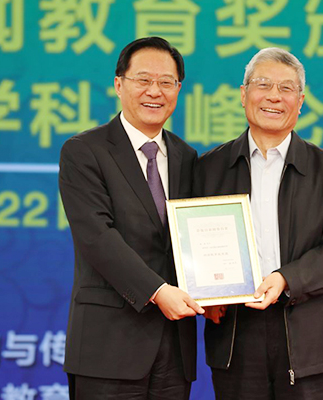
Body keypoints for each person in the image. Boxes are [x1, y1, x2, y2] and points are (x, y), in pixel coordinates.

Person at [194, 47, 323, 399]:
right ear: (243, 94)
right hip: (234, 334)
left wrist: (285, 279)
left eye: (286, 88)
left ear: (300, 102)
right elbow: (185, 242)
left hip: (308, 338)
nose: (274, 96)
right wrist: (203, 291)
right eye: (263, 84)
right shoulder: (208, 169)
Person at [59, 36, 204, 400]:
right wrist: (158, 291)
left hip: (174, 347)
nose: (155, 91)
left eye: (166, 82)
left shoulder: (187, 157)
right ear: (119, 84)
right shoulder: (84, 151)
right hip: (108, 345)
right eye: (143, 80)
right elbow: (96, 237)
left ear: (178, 89)